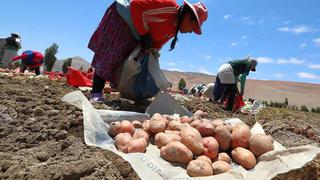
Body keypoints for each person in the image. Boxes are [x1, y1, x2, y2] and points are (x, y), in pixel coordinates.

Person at [88, 0, 208, 102]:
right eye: (194, 25)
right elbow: (136, 5)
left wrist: (149, 53)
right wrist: (144, 34)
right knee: (112, 54)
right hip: (123, 17)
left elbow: (156, 44)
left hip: (136, 33)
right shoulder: (168, 6)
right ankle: (96, 93)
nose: (192, 31)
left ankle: (121, 89)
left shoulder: (172, 31)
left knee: (127, 61)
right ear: (188, 16)